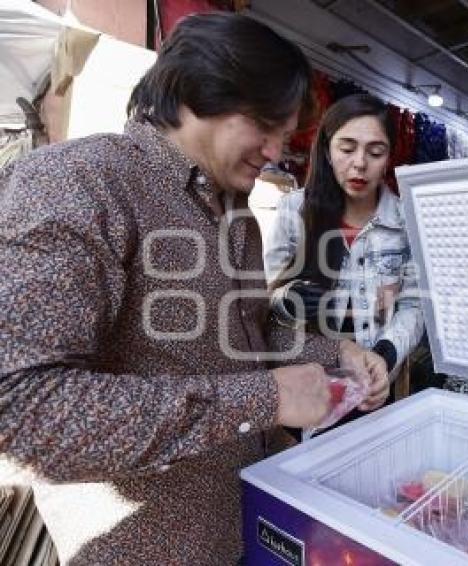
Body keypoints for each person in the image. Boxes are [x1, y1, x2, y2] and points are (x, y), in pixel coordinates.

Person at [0, 12, 386, 565]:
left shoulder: (238, 218)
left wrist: (336, 354)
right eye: (265, 125)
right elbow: (21, 409)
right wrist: (267, 398)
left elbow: (249, 331)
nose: (277, 151)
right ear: (196, 93)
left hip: (246, 523)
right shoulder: (79, 182)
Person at [264, 94, 424, 397]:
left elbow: (413, 305)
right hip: (307, 382)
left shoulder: (407, 220)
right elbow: (267, 294)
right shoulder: (293, 210)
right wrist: (287, 299)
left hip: (375, 380)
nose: (360, 163)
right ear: (326, 150)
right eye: (347, 149)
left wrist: (385, 354)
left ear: (389, 156)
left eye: (376, 152)